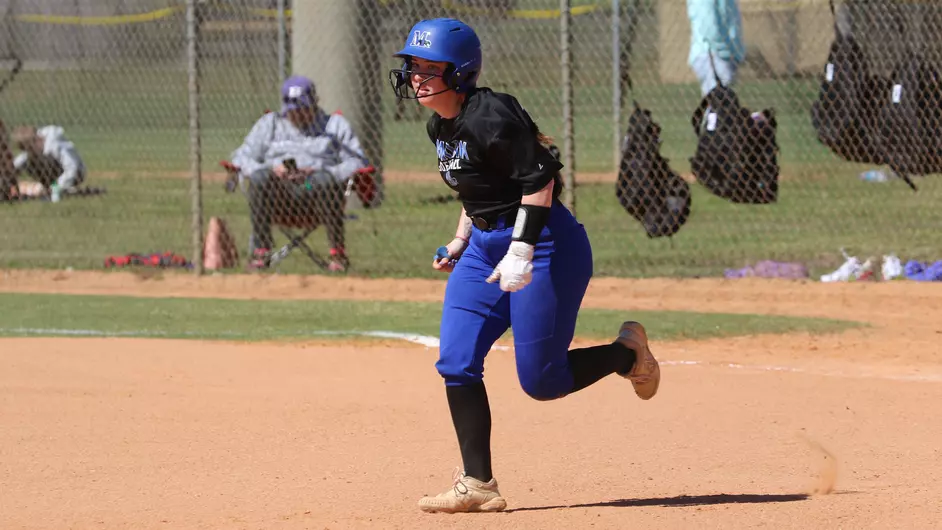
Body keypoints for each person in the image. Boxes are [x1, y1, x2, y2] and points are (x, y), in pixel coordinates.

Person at [389, 18, 661, 514]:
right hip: (483, 249)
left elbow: (540, 181)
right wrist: (460, 240)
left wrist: (521, 251)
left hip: (546, 243)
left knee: (542, 381)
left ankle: (627, 354)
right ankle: (477, 483)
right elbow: (475, 190)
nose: (416, 77)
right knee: (456, 361)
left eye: (430, 68)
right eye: (413, 67)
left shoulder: (490, 114)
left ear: (460, 72)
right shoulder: (439, 126)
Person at [229, 75, 368, 272]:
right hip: (279, 192)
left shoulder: (335, 125)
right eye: (293, 110)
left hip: (313, 190)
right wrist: (272, 170)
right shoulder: (270, 124)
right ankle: (262, 251)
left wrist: (321, 171)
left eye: (303, 109)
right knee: (261, 178)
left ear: (315, 103)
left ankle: (337, 255)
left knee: (324, 180)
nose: (298, 115)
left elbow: (358, 162)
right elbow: (240, 157)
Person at [10, 124, 87, 199]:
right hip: (53, 175)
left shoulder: (54, 145)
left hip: (76, 173)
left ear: (37, 139)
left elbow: (72, 168)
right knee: (28, 160)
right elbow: (18, 162)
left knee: (44, 159)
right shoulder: (32, 150)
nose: (29, 151)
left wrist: (57, 186)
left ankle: (56, 188)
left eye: (30, 148)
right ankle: (48, 188)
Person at [687, 0, 745, 96]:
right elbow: (709, 25)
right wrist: (723, 49)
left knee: (722, 99)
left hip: (725, 53)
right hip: (713, 53)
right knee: (718, 99)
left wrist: (736, 52)